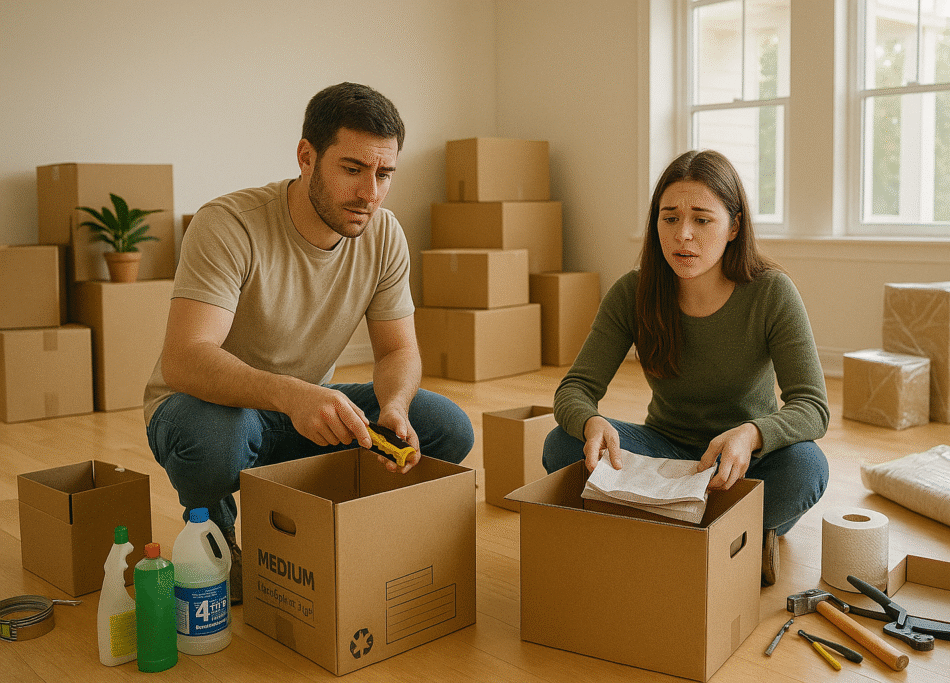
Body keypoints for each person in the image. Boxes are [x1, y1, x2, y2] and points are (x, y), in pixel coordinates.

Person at [143, 82, 474, 603]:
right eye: (352, 169)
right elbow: (185, 359)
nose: (370, 192)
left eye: (384, 173)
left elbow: (397, 351)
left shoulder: (384, 234)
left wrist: (394, 406)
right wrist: (292, 395)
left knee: (446, 428)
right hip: (212, 408)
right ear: (306, 157)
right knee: (212, 439)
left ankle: (324, 518)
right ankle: (214, 528)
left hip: (305, 410)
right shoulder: (228, 225)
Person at [542, 149, 829, 586]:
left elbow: (812, 406)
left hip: (741, 465)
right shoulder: (632, 292)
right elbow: (576, 388)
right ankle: (724, 536)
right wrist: (590, 421)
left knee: (807, 466)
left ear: (734, 226)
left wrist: (752, 434)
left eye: (702, 219)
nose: (684, 235)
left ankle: (659, 527)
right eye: (670, 218)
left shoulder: (772, 292)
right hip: (666, 452)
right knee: (560, 445)